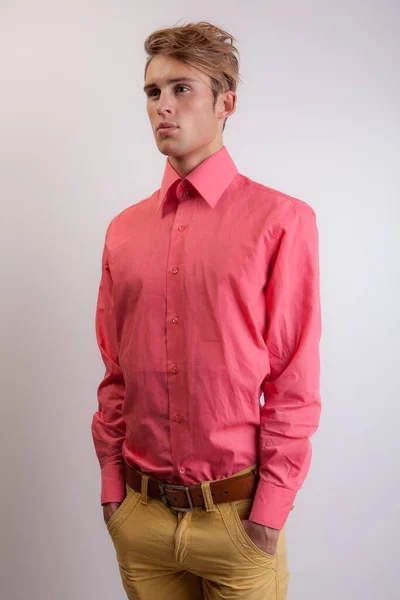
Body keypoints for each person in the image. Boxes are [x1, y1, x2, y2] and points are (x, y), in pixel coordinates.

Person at [91, 20, 322, 600]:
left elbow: (294, 379)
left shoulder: (281, 221)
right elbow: (115, 374)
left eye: (182, 88)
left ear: (226, 103)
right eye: (152, 92)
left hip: (235, 520)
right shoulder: (123, 231)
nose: (163, 107)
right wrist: (112, 492)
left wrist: (268, 514)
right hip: (141, 519)